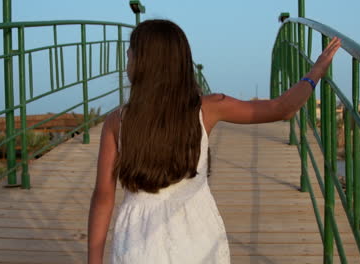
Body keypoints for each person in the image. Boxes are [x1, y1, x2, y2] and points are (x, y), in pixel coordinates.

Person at [87, 19, 341, 264]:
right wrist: (315, 72)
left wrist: (93, 260)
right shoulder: (207, 109)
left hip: (138, 239)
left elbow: (103, 196)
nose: (126, 63)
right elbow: (283, 108)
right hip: (196, 230)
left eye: (129, 55)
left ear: (143, 63)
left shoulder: (117, 121)